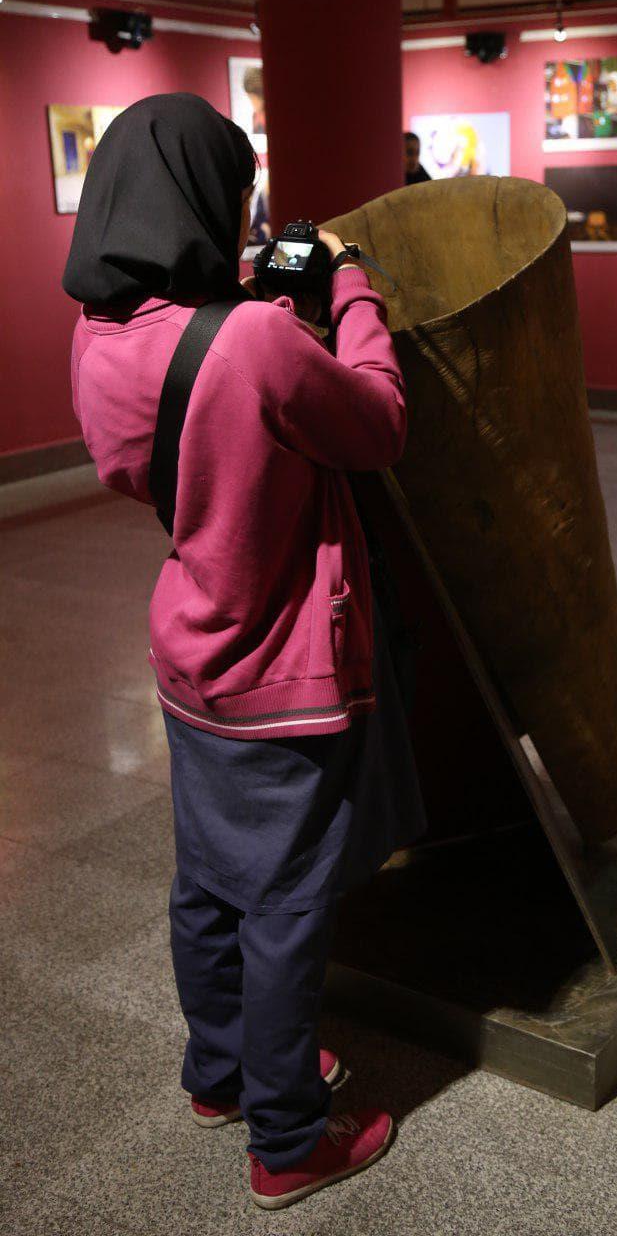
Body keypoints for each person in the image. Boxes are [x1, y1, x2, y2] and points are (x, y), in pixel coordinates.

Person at [61, 92, 427, 1211]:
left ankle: (219, 1074)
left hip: (192, 656)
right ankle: (287, 1137)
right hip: (283, 666)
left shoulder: (94, 341)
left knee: (211, 886)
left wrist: (251, 298)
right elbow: (377, 422)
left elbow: (198, 388)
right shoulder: (259, 339)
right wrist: (349, 289)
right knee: (286, 906)